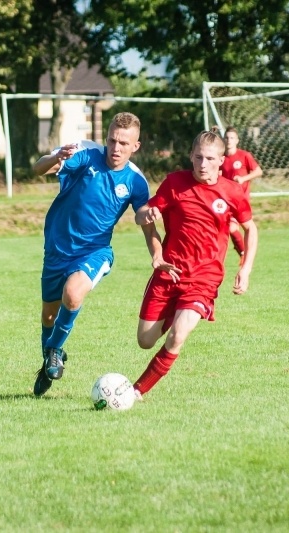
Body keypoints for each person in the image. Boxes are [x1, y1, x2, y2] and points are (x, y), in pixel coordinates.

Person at [31, 112, 159, 397]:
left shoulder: (136, 182)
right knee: (49, 317)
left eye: (124, 143)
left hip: (95, 251)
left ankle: (54, 351)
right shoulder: (85, 153)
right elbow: (39, 169)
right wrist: (55, 158)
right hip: (56, 249)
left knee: (73, 294)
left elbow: (146, 222)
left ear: (135, 146)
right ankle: (50, 357)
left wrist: (157, 254)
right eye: (112, 140)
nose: (116, 148)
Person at [131, 129, 258, 399]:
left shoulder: (232, 192)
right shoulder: (175, 183)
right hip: (169, 273)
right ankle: (174, 313)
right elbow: (142, 215)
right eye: (198, 157)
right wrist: (148, 213)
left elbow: (251, 229)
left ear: (221, 160)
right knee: (145, 341)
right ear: (190, 156)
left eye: (210, 159)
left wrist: (245, 269)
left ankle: (135, 392)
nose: (203, 164)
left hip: (204, 279)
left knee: (178, 336)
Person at [219, 126, 262, 264]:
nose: (229, 140)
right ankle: (241, 254)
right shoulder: (221, 158)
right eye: (226, 137)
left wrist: (243, 179)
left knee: (233, 228)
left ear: (237, 140)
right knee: (227, 229)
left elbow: (258, 171)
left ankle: (243, 253)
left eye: (232, 138)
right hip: (225, 200)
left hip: (241, 200)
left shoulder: (244, 155)